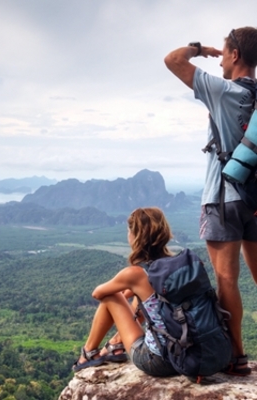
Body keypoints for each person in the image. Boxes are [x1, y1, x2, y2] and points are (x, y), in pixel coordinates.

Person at [164, 27, 257, 376]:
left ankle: (236, 356)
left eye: (225, 52)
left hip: (223, 199)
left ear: (234, 55)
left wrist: (200, 49)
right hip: (255, 197)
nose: (221, 60)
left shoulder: (223, 90)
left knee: (226, 280)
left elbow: (172, 60)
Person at [72, 207, 178, 377]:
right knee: (144, 298)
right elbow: (141, 292)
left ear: (136, 236)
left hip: (159, 361)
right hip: (188, 354)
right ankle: (116, 343)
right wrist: (133, 292)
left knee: (111, 295)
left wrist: (125, 291)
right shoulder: (176, 265)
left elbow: (98, 294)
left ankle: (88, 353)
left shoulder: (135, 274)